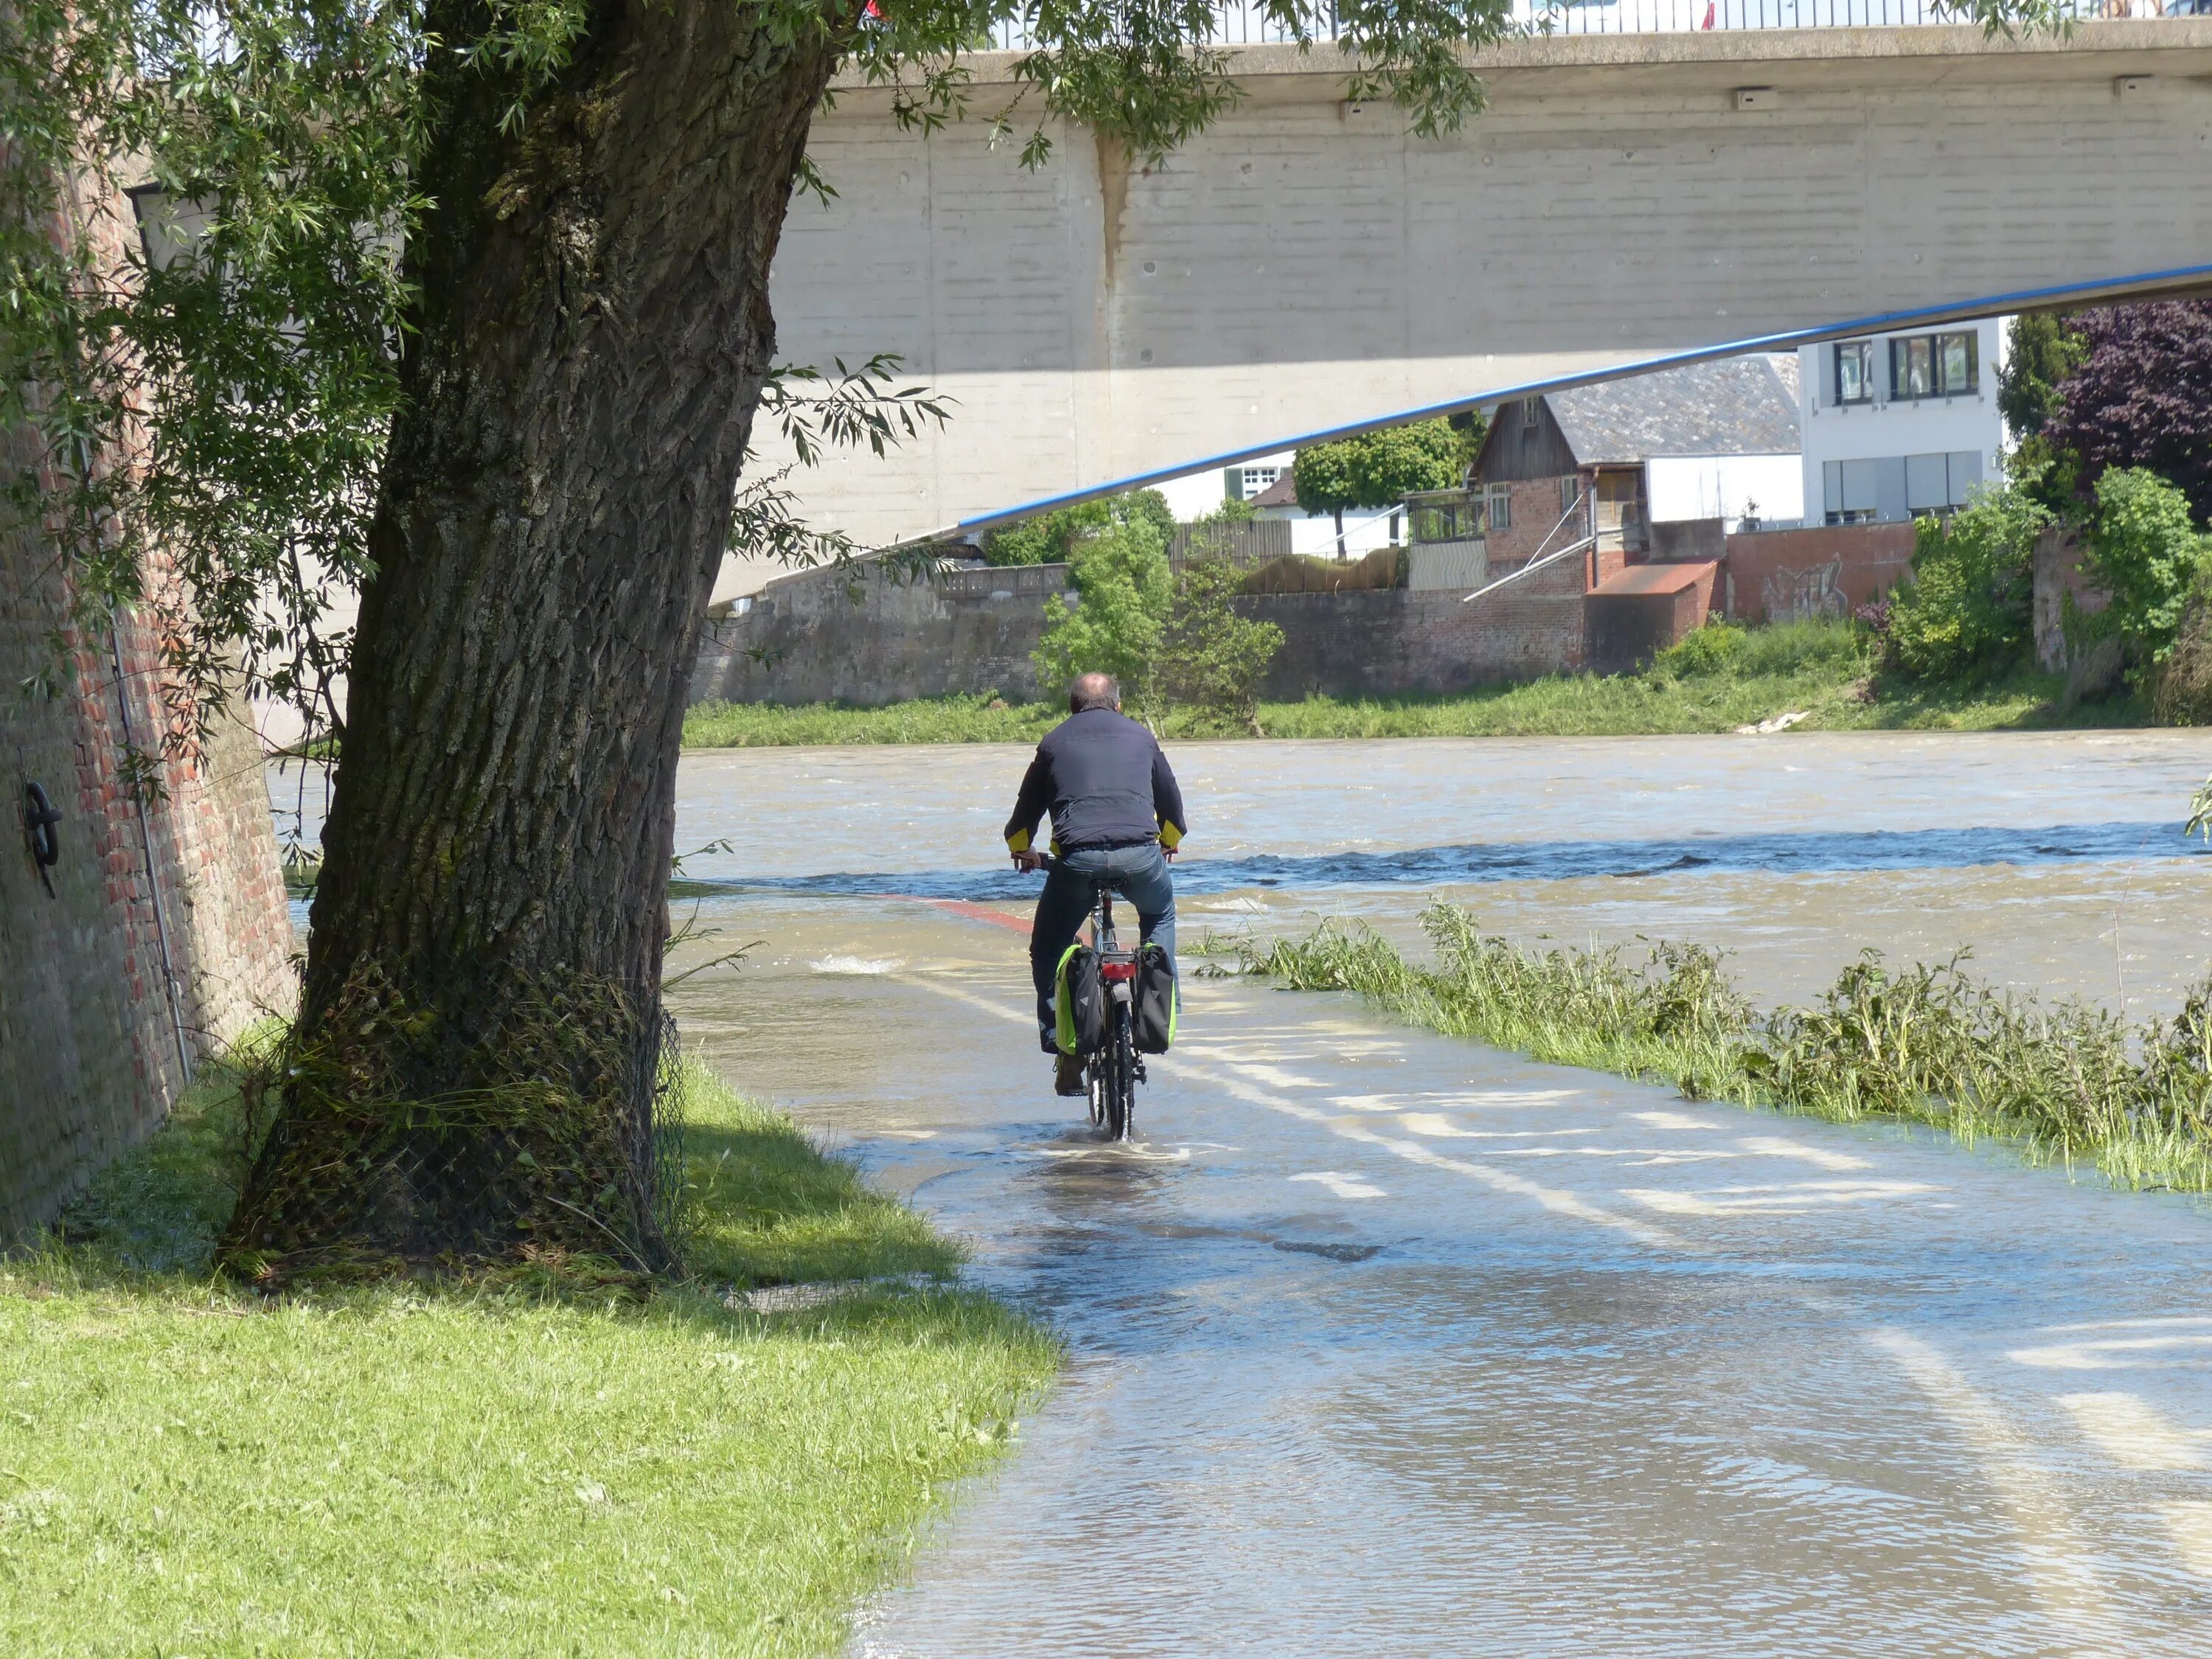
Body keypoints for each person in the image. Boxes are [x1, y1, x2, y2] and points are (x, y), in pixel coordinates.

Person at [1005, 672, 1186, 1094]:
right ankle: (1160, 1012)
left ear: (1072, 708)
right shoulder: (1143, 738)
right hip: (1141, 857)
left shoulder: (1052, 743)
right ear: (1119, 706)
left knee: (1050, 947)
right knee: (1159, 916)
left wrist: (1024, 851)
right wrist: (1166, 844)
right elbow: (1174, 812)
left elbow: (1020, 823)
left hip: (1077, 863)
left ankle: (1064, 1047)